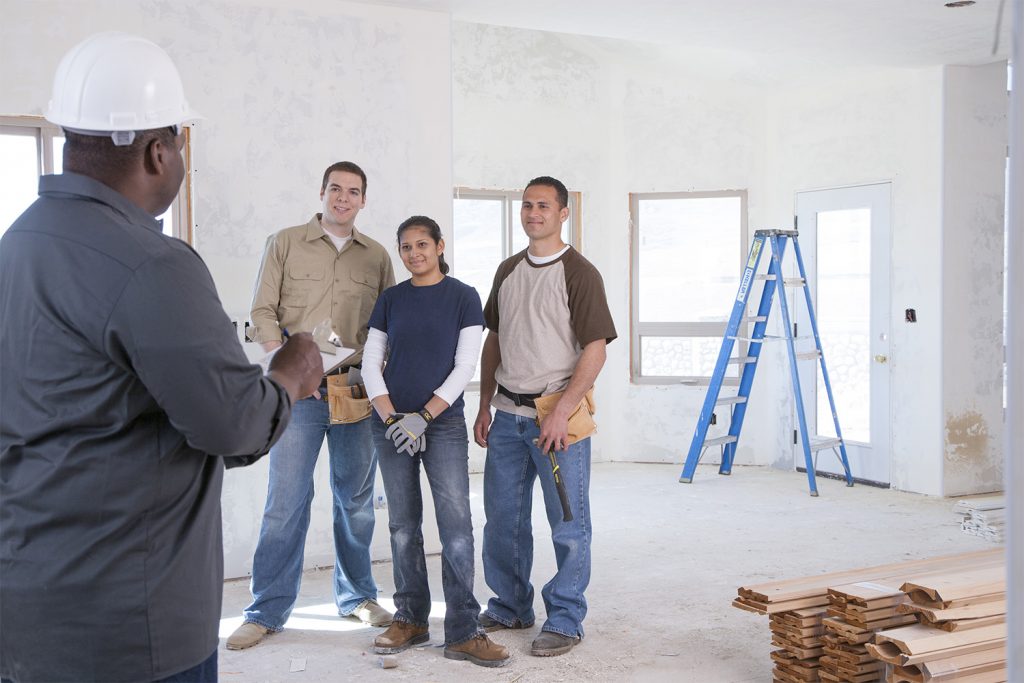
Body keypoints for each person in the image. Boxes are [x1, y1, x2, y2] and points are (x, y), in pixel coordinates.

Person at [0, 32, 323, 683]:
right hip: (128, 626)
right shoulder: (153, 264)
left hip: (26, 604)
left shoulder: (17, 245)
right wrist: (292, 371)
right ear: (158, 151)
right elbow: (235, 428)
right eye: (179, 142)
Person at [228, 161, 397, 650]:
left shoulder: (377, 257)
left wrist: (378, 380)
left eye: (354, 192)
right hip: (298, 395)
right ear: (322, 192)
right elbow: (262, 312)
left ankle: (358, 597)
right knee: (285, 503)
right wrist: (289, 373)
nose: (344, 198)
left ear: (364, 200)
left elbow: (384, 328)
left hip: (356, 393)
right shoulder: (284, 242)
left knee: (356, 501)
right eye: (336, 189)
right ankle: (266, 610)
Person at [473, 176, 617, 657]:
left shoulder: (580, 273)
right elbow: (494, 339)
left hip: (557, 420)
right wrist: (483, 403)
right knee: (503, 521)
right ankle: (511, 605)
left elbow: (595, 350)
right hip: (508, 416)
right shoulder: (508, 270)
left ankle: (566, 618)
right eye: (527, 205)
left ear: (562, 213)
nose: (533, 213)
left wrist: (562, 410)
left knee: (568, 524)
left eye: (543, 206)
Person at [360, 216, 510, 668]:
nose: (413, 253)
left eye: (422, 244)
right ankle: (411, 618)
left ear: (440, 246)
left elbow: (464, 367)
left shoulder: (463, 297)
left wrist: (424, 417)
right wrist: (393, 419)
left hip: (441, 425)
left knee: (456, 528)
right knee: (403, 527)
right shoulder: (391, 299)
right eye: (405, 247)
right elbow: (371, 364)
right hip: (391, 424)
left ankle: (463, 630)